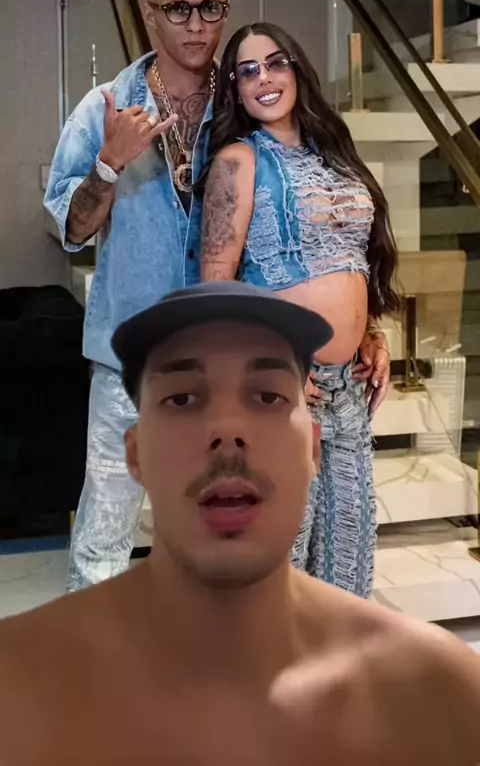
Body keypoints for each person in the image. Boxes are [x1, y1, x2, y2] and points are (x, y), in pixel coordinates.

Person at [0, 282, 479, 766]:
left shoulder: (437, 695)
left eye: (267, 396)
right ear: (135, 451)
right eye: (183, 399)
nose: (228, 430)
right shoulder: (19, 690)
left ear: (313, 448)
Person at [44, 0, 230, 592]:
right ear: (152, 14)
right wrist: (108, 164)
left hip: (221, 357)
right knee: (104, 537)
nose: (195, 25)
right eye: (178, 10)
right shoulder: (105, 106)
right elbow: (71, 229)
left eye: (210, 8)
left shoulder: (244, 106)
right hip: (129, 358)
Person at [199, 23, 399, 597]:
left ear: (297, 70)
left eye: (275, 63)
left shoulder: (337, 157)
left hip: (348, 388)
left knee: (347, 563)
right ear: (235, 91)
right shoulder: (238, 162)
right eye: (247, 71)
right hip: (281, 393)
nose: (263, 78)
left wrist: (370, 332)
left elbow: (355, 256)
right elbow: (214, 287)